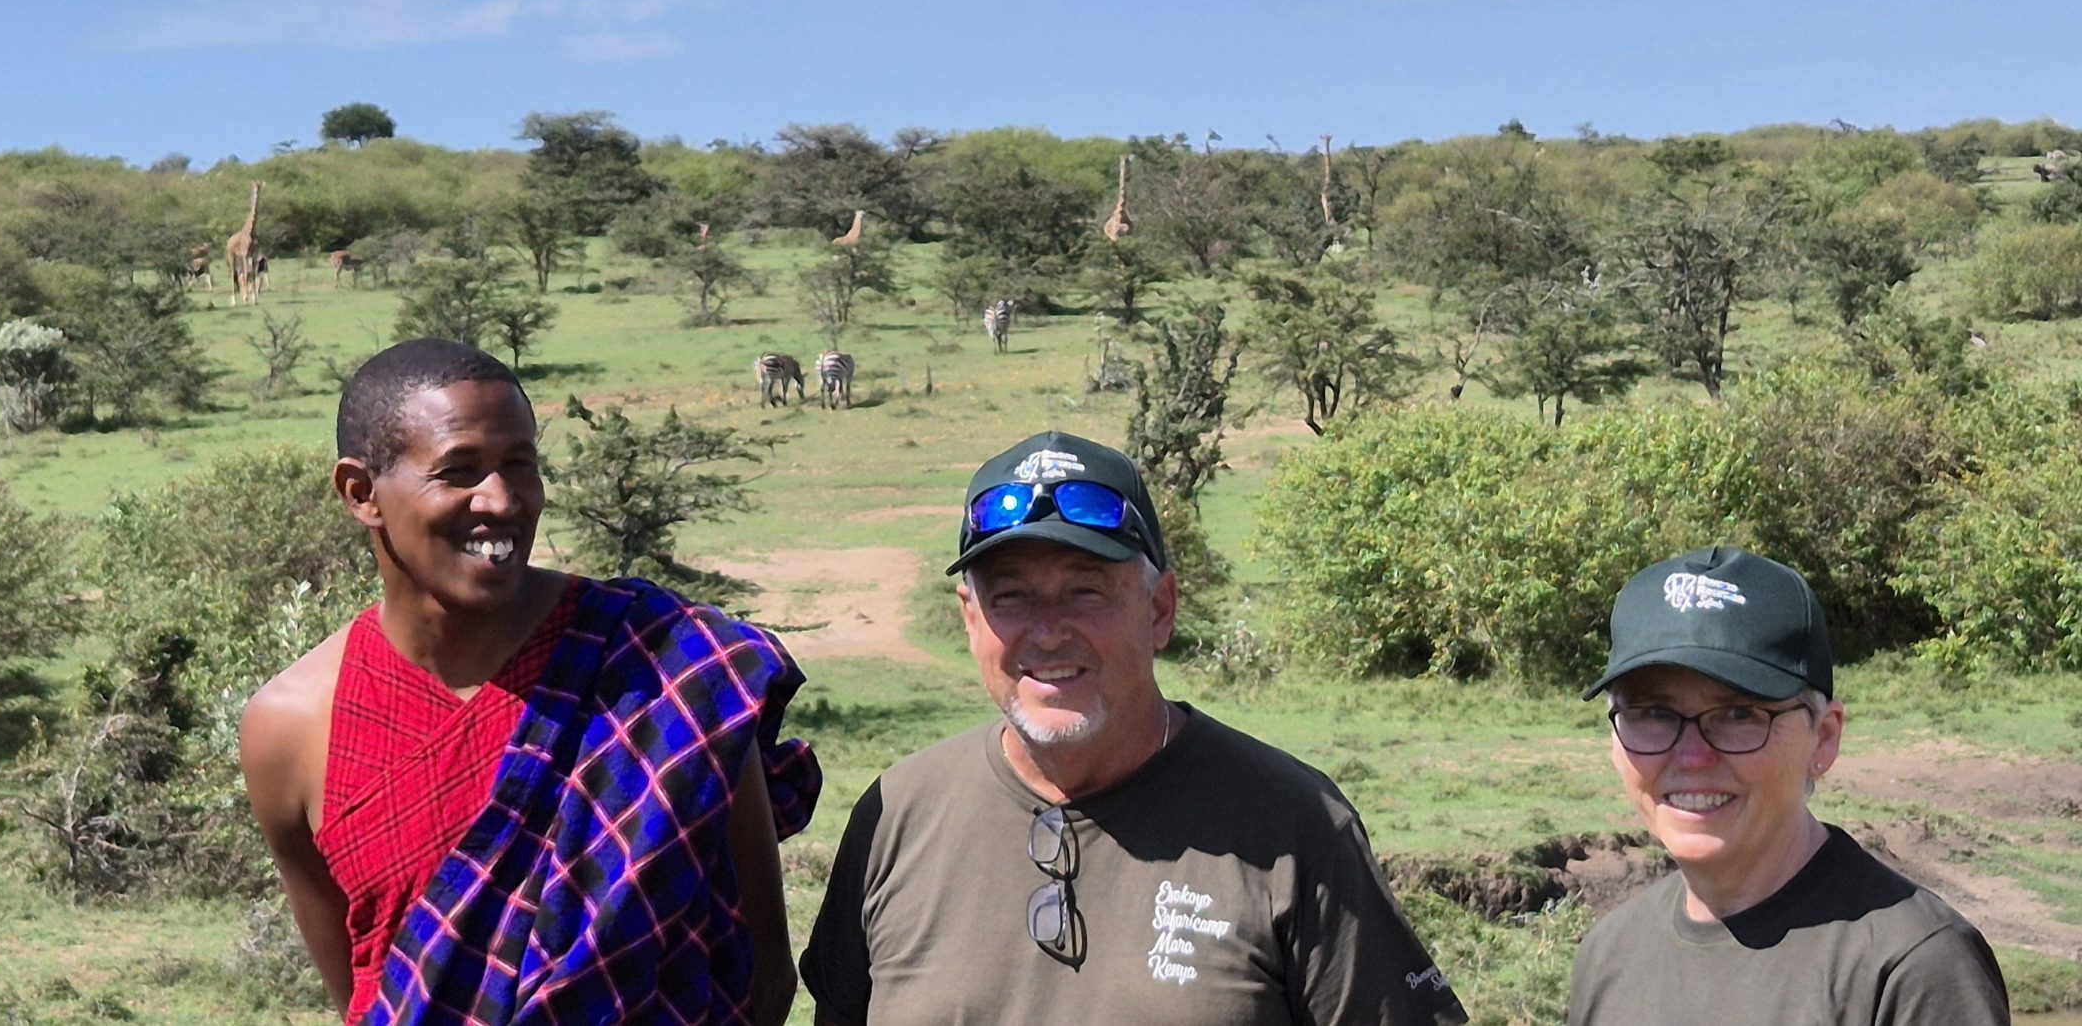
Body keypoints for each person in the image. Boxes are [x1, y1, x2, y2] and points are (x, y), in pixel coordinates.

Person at [241, 339, 819, 1024]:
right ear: (361, 493)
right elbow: (374, 996)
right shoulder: (292, 727)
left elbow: (762, 975)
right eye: (459, 472)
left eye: (521, 465)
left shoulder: (667, 668)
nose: (503, 501)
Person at [801, 430, 1465, 1025]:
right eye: (1011, 597)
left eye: (1087, 591)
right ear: (970, 619)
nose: (1049, 630)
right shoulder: (898, 815)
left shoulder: (1293, 826)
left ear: (1160, 609)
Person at [1568, 546, 2011, 1024]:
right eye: (1653, 714)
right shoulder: (1609, 954)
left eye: (1739, 715)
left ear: (1823, 737)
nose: (1692, 757)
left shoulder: (1913, 969)